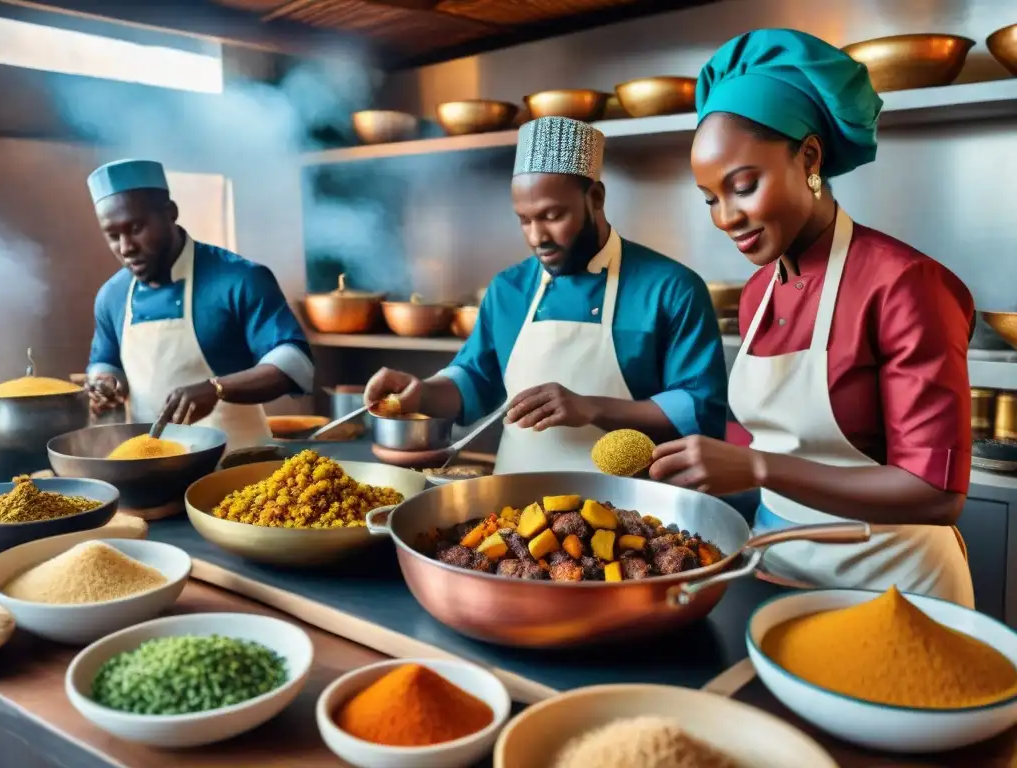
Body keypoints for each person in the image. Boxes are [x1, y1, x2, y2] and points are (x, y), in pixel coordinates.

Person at [649, 29, 975, 606]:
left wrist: (755, 467)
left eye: (743, 186)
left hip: (896, 584)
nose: (726, 217)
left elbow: (934, 492)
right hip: (780, 567)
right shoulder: (756, 294)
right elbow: (771, 442)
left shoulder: (904, 285)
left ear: (810, 157)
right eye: (709, 198)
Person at [365, 116, 728, 473]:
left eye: (553, 215)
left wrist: (591, 407)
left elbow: (698, 411)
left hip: (630, 516)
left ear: (596, 198)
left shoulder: (670, 288)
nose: (537, 236)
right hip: (514, 511)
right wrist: (421, 394)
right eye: (524, 219)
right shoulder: (509, 289)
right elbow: (476, 380)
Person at [84, 159, 313, 451]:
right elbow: (106, 363)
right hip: (153, 465)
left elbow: (295, 363)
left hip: (237, 465)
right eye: (113, 236)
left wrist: (217, 389)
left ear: (170, 213)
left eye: (137, 227)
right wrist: (105, 384)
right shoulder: (112, 295)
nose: (126, 247)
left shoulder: (238, 278)